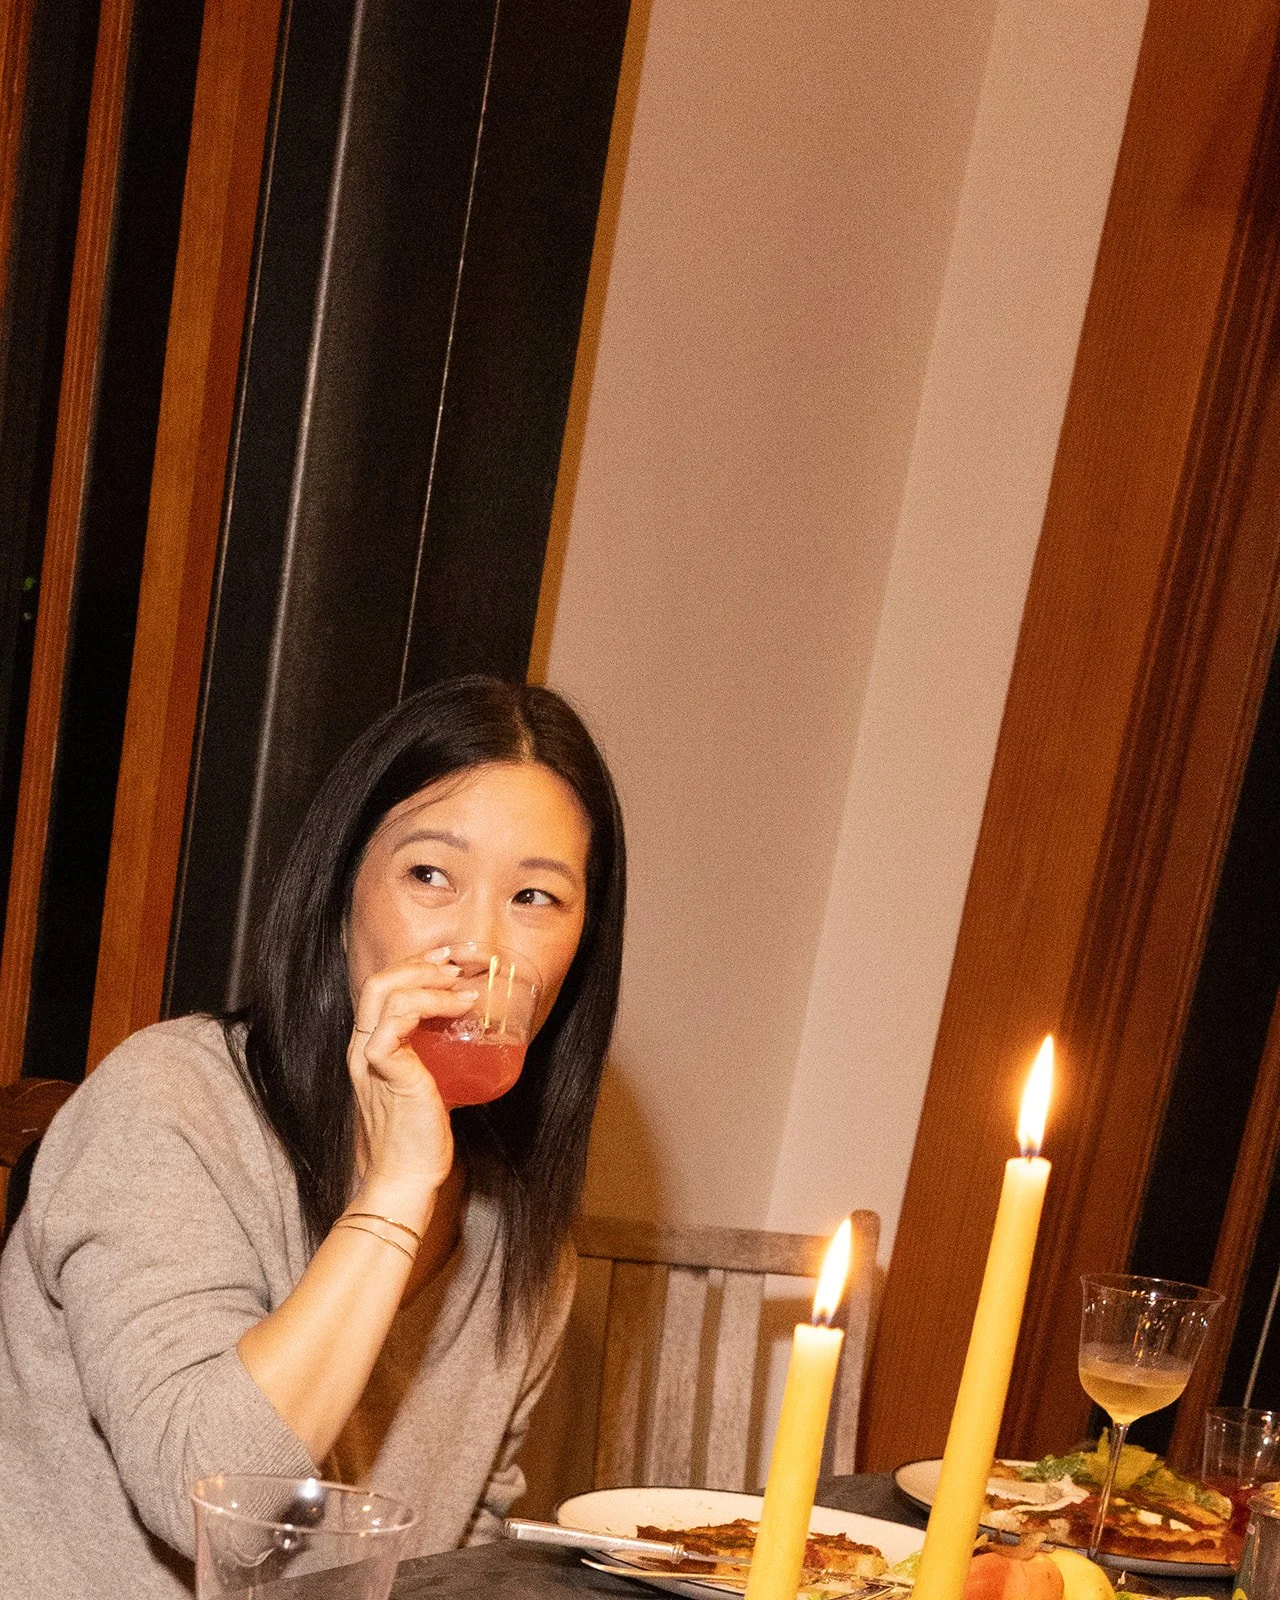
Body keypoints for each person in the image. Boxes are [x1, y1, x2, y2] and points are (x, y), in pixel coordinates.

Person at [0, 675, 626, 1599]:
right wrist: (396, 1193)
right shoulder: (168, 1103)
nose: (477, 947)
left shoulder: (517, 1239)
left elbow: (462, 1563)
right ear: (343, 892)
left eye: (535, 897)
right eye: (429, 876)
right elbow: (204, 1496)